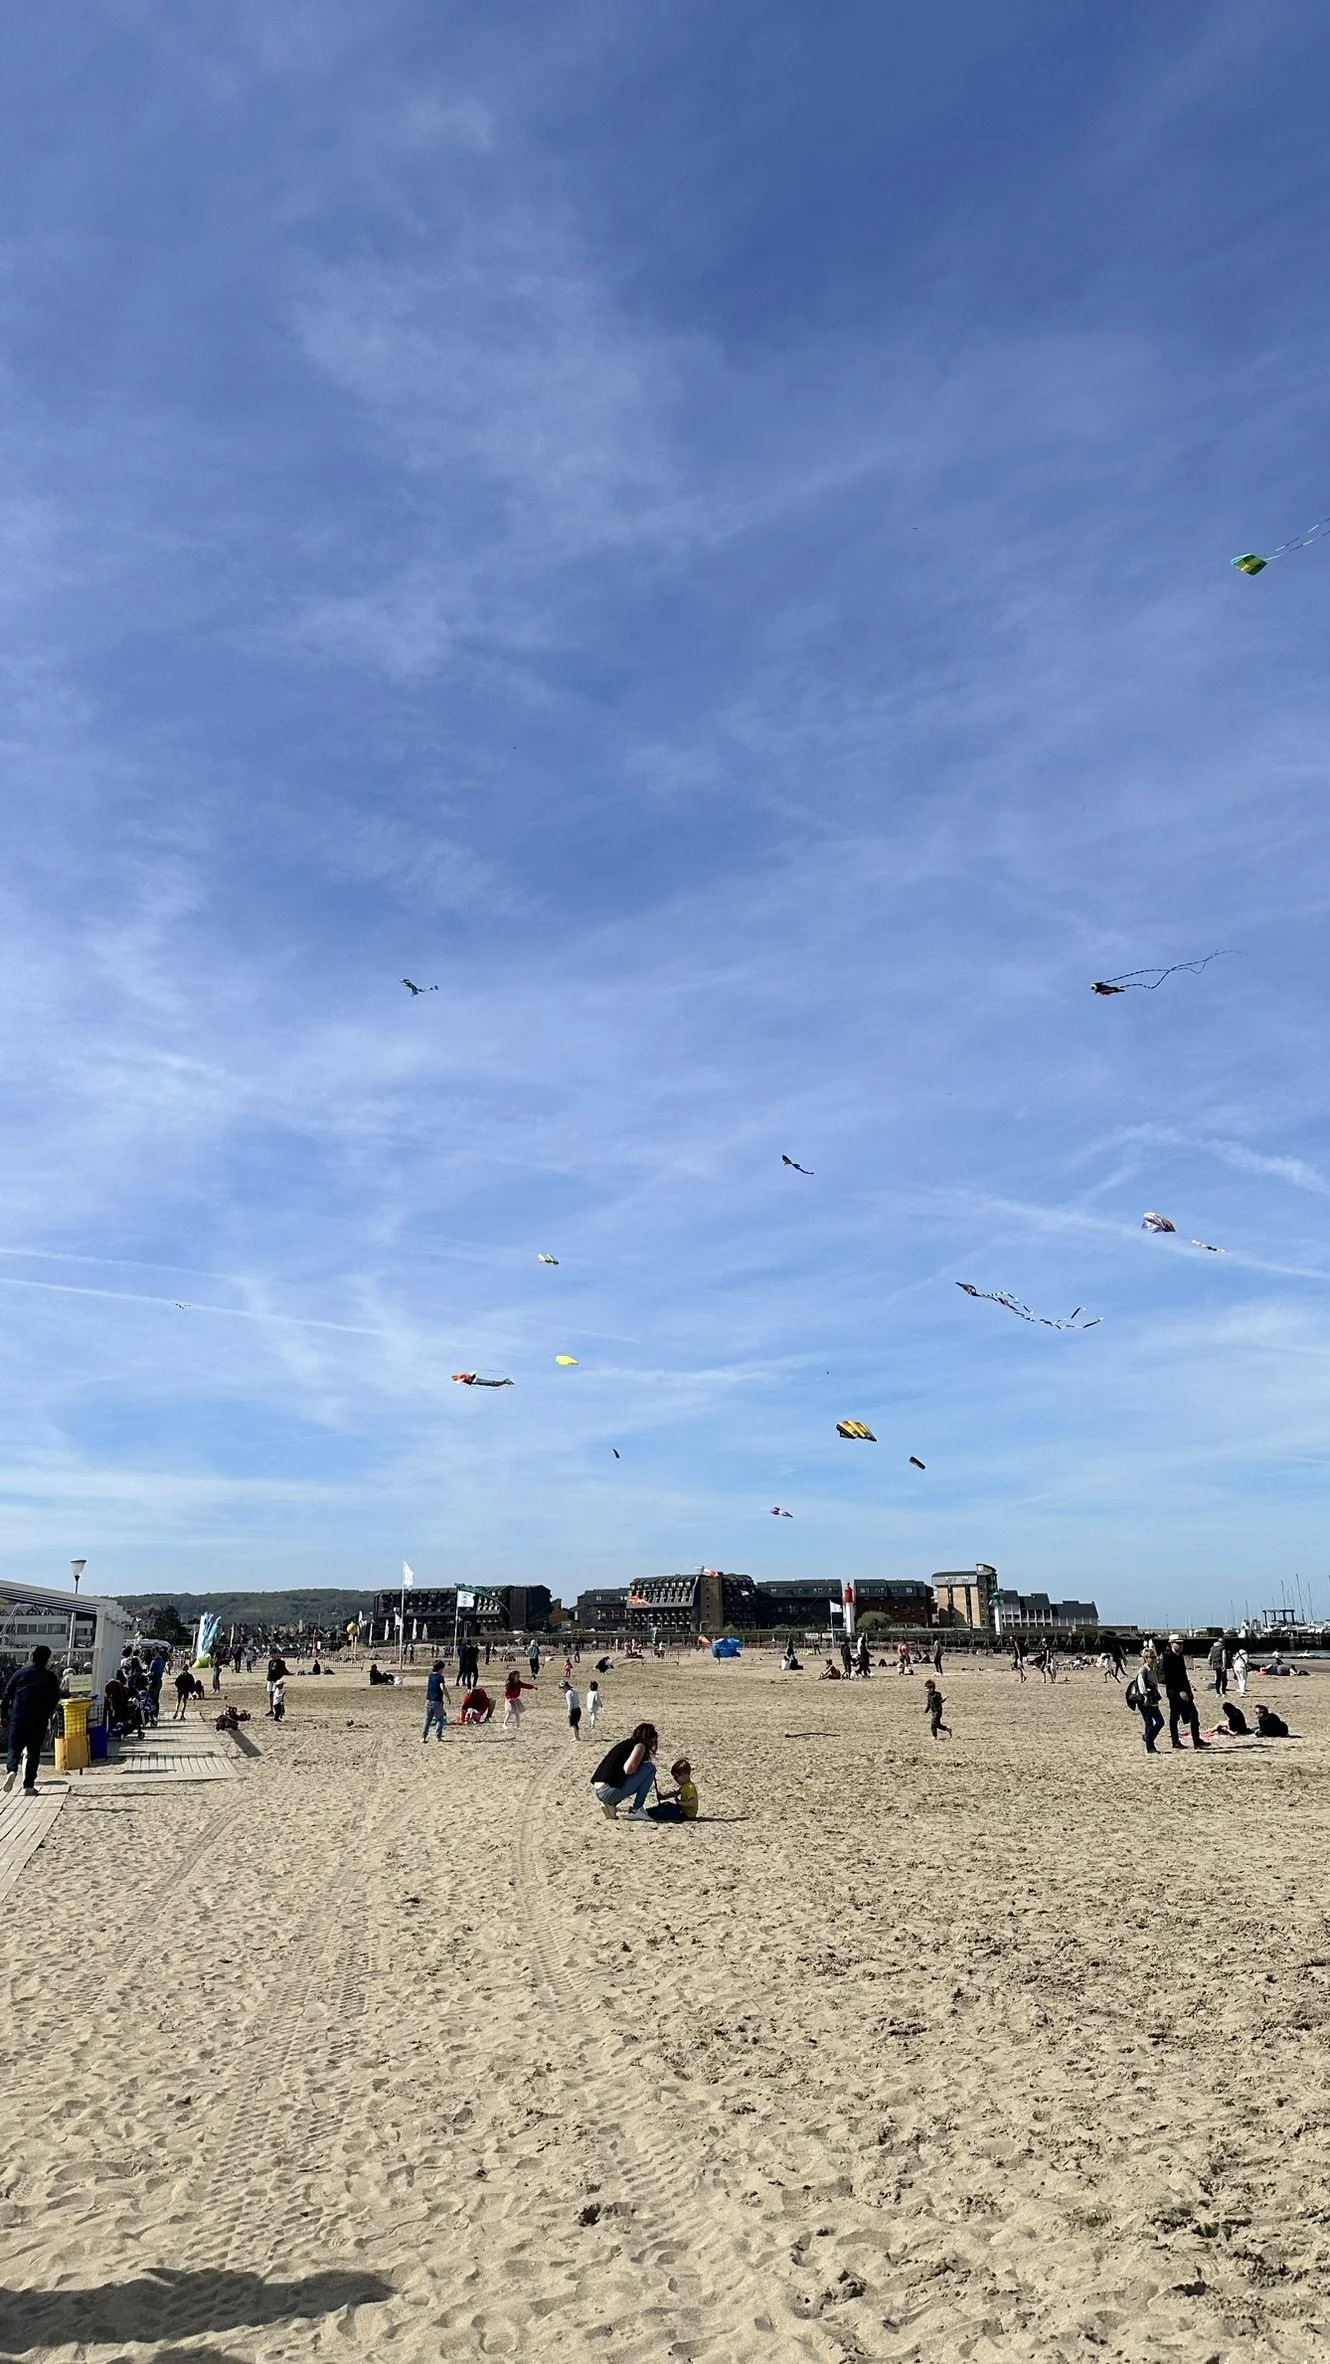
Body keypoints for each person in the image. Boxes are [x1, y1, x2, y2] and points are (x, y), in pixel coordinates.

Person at [2, 1645, 62, 1793]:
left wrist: (3, 1715)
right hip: (38, 1719)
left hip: (18, 1716)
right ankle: (28, 1785)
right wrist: (47, 1713)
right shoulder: (50, 1677)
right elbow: (55, 1698)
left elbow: (7, 1695)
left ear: (31, 1657)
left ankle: (12, 1770)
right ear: (47, 1660)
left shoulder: (19, 1674)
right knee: (33, 1751)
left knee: (14, 1747)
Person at [591, 1723, 659, 1821]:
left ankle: (611, 1804)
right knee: (650, 1768)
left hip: (599, 1790)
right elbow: (629, 1769)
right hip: (608, 1791)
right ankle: (636, 1809)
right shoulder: (640, 1746)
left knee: (630, 1776)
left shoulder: (626, 1744)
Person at [1160, 1635, 1207, 1749]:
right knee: (1174, 1717)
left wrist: (1188, 1690)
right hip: (1174, 1692)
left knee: (1194, 1714)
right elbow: (1169, 1678)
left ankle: (1196, 1740)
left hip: (1184, 1690)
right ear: (1171, 1644)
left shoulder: (1180, 1657)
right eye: (1178, 1643)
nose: (1180, 1646)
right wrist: (1180, 1691)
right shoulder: (1167, 1657)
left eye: (1181, 1643)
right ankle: (1175, 1741)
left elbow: (1183, 1676)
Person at [1126, 1654, 1164, 1754]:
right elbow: (1140, 1683)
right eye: (1151, 1657)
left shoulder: (1153, 1670)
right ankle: (1150, 1747)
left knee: (1160, 1722)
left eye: (1154, 1657)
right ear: (1146, 1658)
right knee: (1149, 1723)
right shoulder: (1143, 1670)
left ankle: (1147, 1737)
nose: (1154, 1659)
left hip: (1153, 1698)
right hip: (1144, 1700)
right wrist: (1145, 1696)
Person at [647, 1757, 698, 1822]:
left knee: (668, 1811)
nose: (675, 1780)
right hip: (682, 1810)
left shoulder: (690, 1787)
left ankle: (650, 1815)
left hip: (686, 1814)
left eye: (676, 1777)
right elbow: (675, 1793)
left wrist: (679, 1802)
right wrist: (663, 1797)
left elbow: (692, 1803)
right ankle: (649, 1811)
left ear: (684, 1775)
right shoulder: (685, 1786)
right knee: (667, 1805)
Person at [421, 1660, 450, 1744]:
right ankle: (438, 1737)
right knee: (440, 1719)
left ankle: (423, 1737)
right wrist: (448, 1697)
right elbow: (442, 1687)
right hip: (437, 1701)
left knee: (427, 1719)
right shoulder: (440, 1677)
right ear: (440, 1669)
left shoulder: (430, 1676)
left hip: (428, 1700)